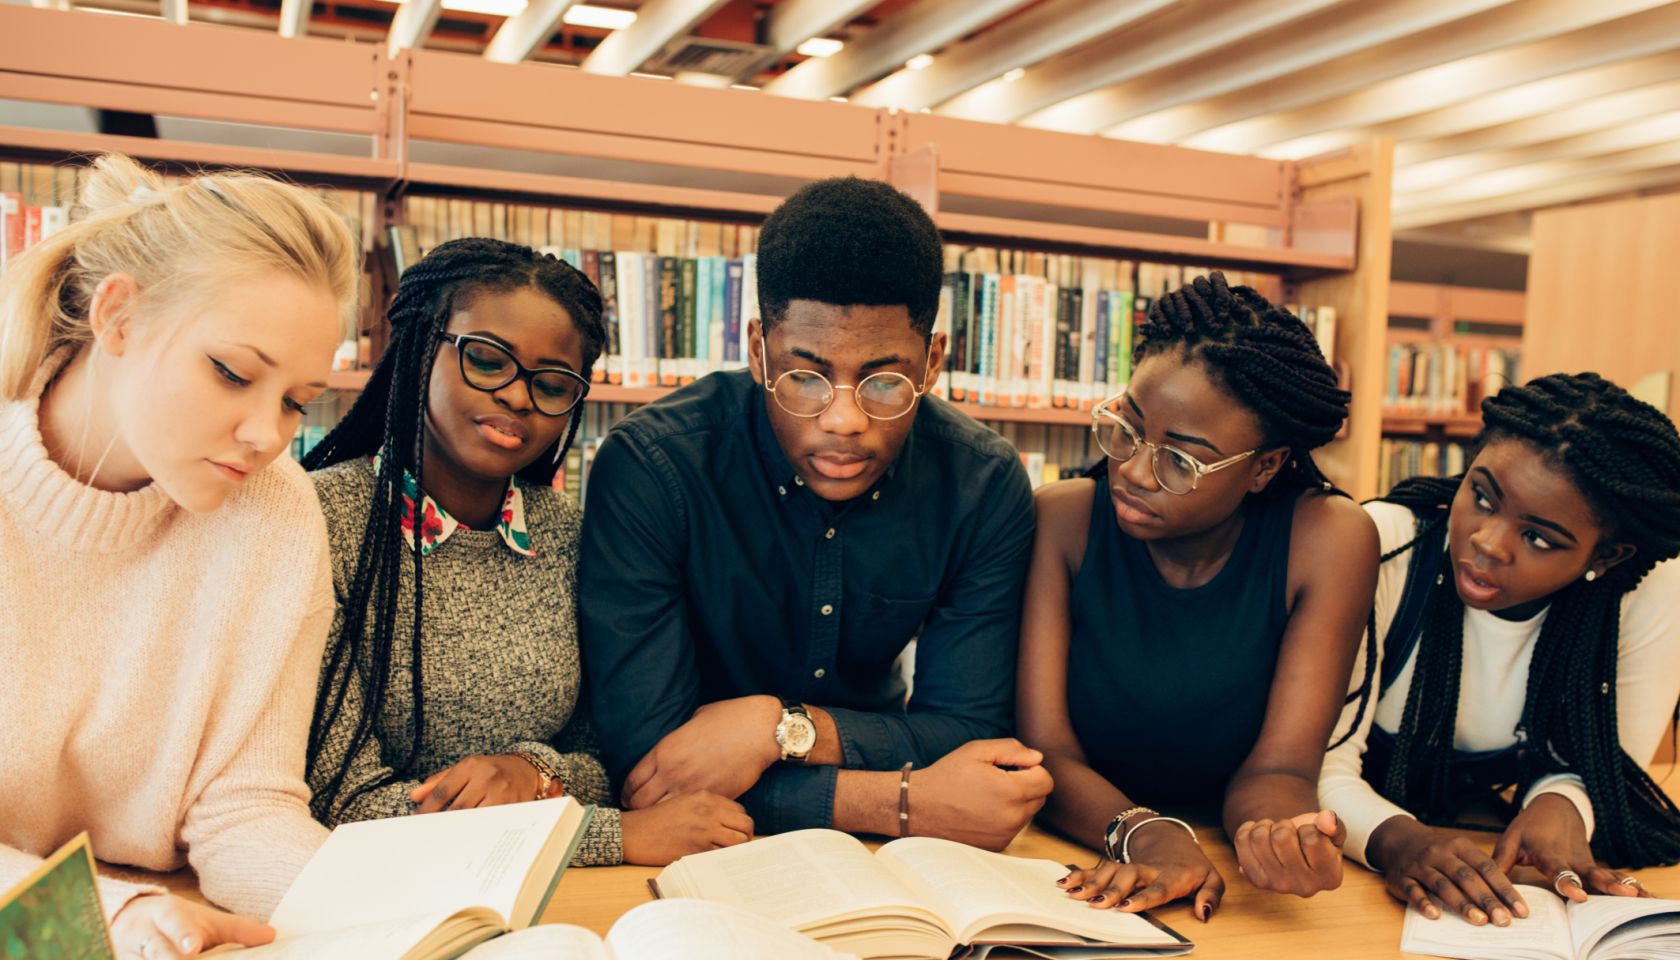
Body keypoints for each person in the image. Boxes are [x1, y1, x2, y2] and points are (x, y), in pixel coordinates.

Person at [578, 177, 1051, 847]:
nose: (844, 420)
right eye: (805, 376)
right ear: (756, 348)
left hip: (883, 856)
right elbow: (652, 770)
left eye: (885, 381)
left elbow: (970, 730)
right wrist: (898, 802)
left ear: (934, 362)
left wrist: (777, 729)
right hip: (700, 845)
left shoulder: (982, 482)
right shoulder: (653, 468)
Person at [0, 154, 360, 957]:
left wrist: (396, 912)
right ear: (119, 318)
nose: (269, 436)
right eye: (233, 373)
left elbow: (245, 807)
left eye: (297, 401)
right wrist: (113, 915)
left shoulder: (278, 510)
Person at [302, 238, 751, 866]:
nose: (517, 397)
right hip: (380, 890)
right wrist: (611, 837)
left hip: (554, 896)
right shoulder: (320, 525)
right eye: (487, 361)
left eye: (551, 382)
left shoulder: (574, 534)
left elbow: (610, 759)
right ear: (421, 346)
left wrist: (530, 771)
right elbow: (341, 804)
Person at [1020, 271, 1379, 921]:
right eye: (1128, 430)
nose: (1131, 469)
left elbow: (1280, 768)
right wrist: (1146, 833)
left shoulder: (1329, 539)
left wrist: (1279, 836)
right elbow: (1047, 748)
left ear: (1264, 466)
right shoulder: (1064, 520)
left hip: (1219, 858)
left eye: (1179, 461)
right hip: (1076, 843)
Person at [1321, 372, 1680, 927]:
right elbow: (1311, 763)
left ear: (1605, 557)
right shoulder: (1383, 544)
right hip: (1344, 875)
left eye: (1538, 537)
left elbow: (1610, 769)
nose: (1488, 542)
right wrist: (1401, 843)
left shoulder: (1646, 594)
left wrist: (1561, 804)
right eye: (1482, 496)